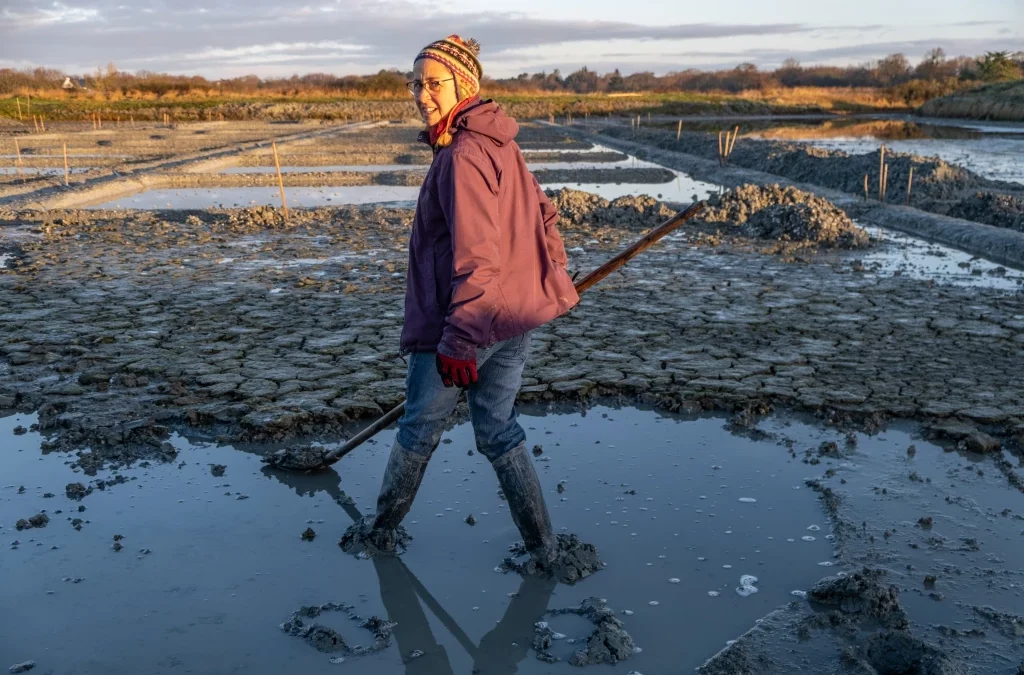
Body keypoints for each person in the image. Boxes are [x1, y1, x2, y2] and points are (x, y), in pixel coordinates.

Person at [343, 35, 579, 567]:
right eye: (415, 83)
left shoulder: (463, 156)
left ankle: (379, 533)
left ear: (465, 85)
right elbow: (545, 215)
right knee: (498, 429)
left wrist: (458, 340)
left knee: (418, 428)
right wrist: (545, 277)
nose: (422, 94)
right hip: (512, 318)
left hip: (465, 323)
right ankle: (544, 549)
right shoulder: (498, 141)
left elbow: (476, 257)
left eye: (434, 83)